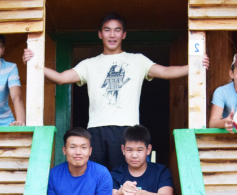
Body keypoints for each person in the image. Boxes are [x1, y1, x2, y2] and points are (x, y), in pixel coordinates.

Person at [23, 13, 208, 170]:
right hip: (95, 129)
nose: (112, 35)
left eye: (117, 30)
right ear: (100, 34)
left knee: (122, 176)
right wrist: (34, 63)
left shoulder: (138, 60)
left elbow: (165, 72)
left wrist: (194, 66)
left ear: (124, 34)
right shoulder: (89, 64)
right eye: (107, 30)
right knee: (96, 177)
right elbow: (61, 78)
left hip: (126, 128)